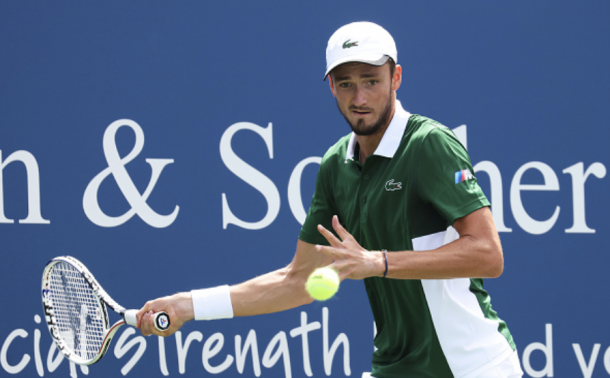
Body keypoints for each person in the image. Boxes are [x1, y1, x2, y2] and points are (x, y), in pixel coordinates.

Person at [137, 21, 524, 377]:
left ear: (396, 78)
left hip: (474, 367)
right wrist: (189, 305)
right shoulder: (335, 164)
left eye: (371, 81)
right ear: (331, 88)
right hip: (395, 368)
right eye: (345, 83)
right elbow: (298, 280)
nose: (359, 97)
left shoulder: (428, 144)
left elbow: (489, 254)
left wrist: (379, 262)